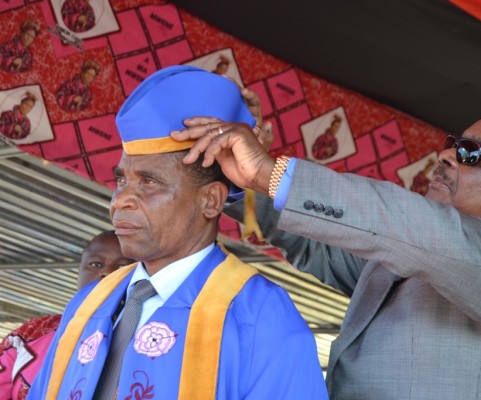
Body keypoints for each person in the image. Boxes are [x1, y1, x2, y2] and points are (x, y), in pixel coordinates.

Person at [170, 107, 481, 399]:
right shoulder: (410, 249)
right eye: (452, 144)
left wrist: (271, 171)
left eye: (471, 153)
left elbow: (425, 232)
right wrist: (235, 179)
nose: (445, 156)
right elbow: (319, 240)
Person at [29, 65, 327, 400]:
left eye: (150, 182)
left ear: (211, 200)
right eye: (121, 180)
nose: (120, 201)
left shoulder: (259, 314)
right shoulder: (88, 304)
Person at [0, 230, 134, 400]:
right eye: (95, 264)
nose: (106, 273)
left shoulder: (151, 337)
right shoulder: (31, 334)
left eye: (122, 266)